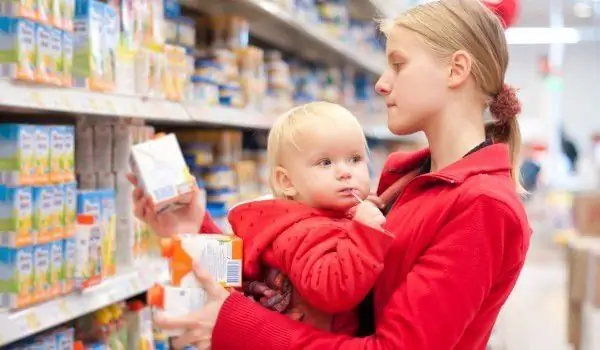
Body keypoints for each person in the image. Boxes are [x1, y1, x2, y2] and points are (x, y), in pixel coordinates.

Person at [130, 0, 531, 349]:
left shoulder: (482, 206)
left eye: (398, 64)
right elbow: (283, 278)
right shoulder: (408, 182)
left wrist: (234, 325)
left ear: (456, 69)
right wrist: (191, 230)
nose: (381, 83)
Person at [229, 101, 390, 334]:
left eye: (355, 159)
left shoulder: (325, 216)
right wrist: (365, 233)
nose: (345, 172)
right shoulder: (300, 230)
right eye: (325, 163)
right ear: (287, 182)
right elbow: (333, 291)